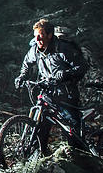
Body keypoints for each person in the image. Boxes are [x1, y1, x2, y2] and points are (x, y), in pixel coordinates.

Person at [13, 18, 88, 153]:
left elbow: (82, 67)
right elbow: (26, 64)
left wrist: (66, 73)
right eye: (35, 36)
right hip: (47, 92)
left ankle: (84, 160)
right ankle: (38, 159)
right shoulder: (35, 50)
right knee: (40, 127)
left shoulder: (63, 49)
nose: (37, 39)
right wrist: (21, 77)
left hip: (66, 93)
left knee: (72, 130)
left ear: (49, 35)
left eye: (40, 36)